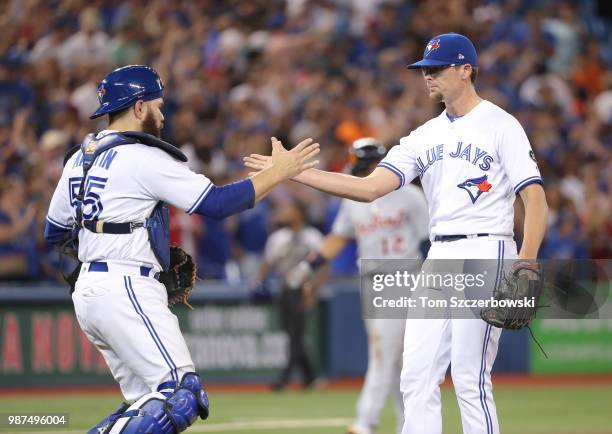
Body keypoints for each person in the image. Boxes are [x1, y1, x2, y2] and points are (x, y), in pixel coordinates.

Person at [245, 33, 548, 434]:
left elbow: (536, 199)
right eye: (425, 70)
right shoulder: (426, 134)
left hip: (487, 246)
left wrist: (526, 260)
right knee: (416, 374)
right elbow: (369, 188)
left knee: (469, 379)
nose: (428, 77)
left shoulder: (500, 124)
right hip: (439, 255)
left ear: (465, 70)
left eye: (436, 69)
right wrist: (296, 172)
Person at [43, 65, 319, 434]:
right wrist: (279, 171)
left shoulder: (79, 158)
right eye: (158, 105)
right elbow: (217, 204)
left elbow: (55, 232)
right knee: (180, 396)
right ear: (139, 107)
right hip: (126, 285)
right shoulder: (144, 157)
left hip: (90, 291)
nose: (162, 113)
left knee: (145, 404)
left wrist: (108, 242)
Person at [286, 137, 429, 434]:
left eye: (362, 166)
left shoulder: (409, 195)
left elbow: (431, 239)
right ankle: (409, 424)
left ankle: (366, 422)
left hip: (406, 277)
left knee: (384, 353)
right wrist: (307, 266)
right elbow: (339, 237)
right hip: (373, 281)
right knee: (394, 358)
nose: (359, 172)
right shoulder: (353, 199)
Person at [255, 200, 323, 390]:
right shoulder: (278, 237)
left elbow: (322, 267)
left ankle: (284, 379)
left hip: (303, 289)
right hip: (285, 289)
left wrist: (313, 290)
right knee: (293, 335)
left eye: (288, 208)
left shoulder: (312, 236)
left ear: (299, 213)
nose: (283, 212)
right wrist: (258, 280)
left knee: (296, 335)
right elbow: (268, 263)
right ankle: (311, 377)